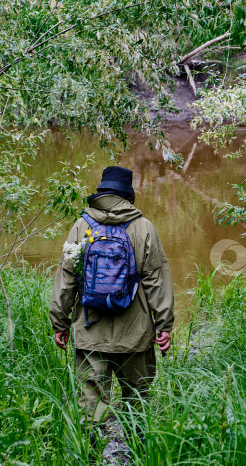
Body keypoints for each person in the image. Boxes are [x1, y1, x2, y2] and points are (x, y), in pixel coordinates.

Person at [49, 166, 174, 422]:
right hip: (135, 334)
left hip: (89, 330)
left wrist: (59, 322)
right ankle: (138, 454)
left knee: (90, 405)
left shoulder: (81, 225)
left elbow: (67, 279)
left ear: (101, 191)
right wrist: (164, 325)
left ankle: (92, 457)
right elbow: (157, 281)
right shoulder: (144, 227)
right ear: (128, 194)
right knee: (137, 399)